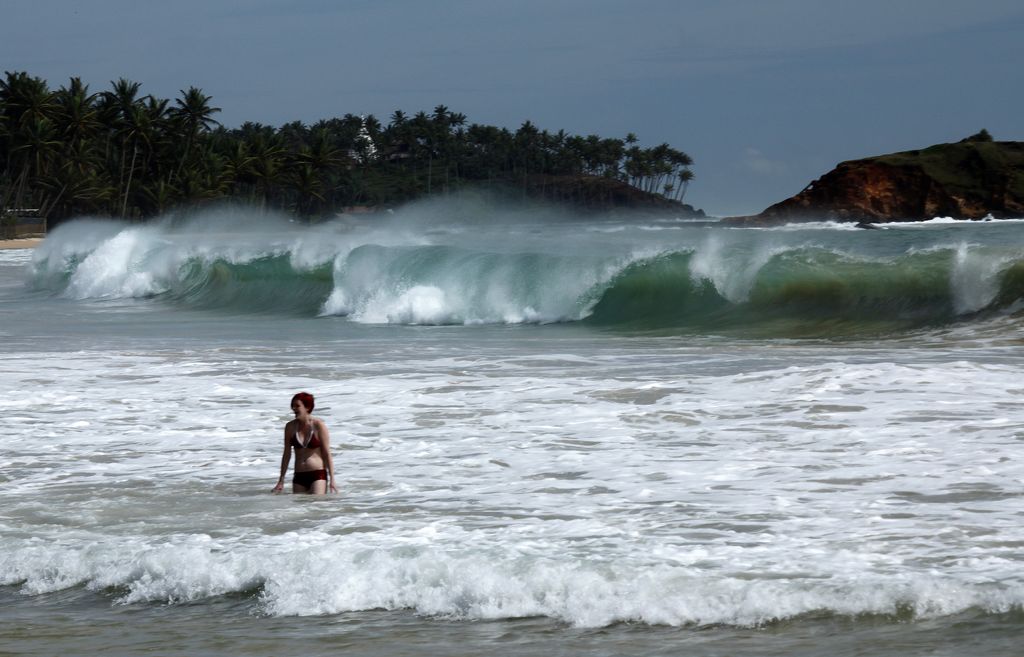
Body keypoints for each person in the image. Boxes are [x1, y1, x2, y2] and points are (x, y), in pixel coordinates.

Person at [272, 392, 337, 495]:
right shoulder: (290, 427)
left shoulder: (318, 425)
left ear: (307, 407)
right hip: (299, 476)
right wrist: (281, 480)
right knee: (300, 509)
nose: (294, 408)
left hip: (317, 475)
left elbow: (326, 453)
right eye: (292, 406)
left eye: (297, 406)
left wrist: (332, 479)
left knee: (316, 505)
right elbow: (286, 454)